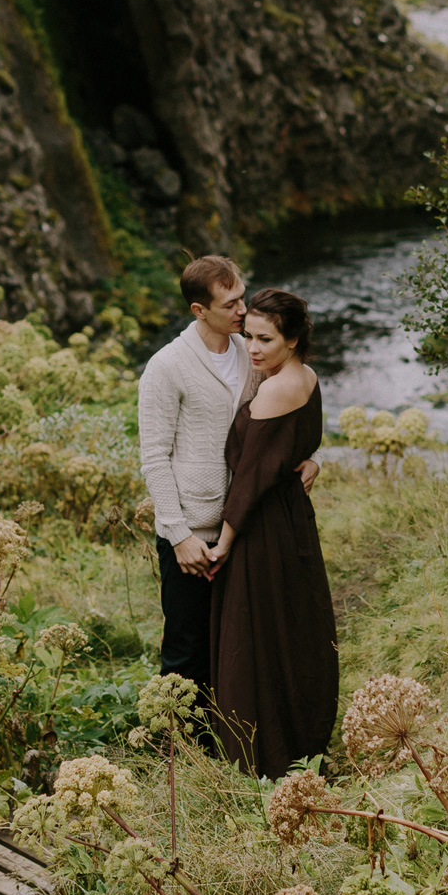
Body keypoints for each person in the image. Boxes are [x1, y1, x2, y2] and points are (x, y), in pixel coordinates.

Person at [137, 256, 318, 716]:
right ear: (200, 310)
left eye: (242, 295)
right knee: (185, 650)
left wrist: (313, 456)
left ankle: (229, 745)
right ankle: (178, 752)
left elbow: (285, 413)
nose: (243, 309)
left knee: (236, 647)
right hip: (193, 535)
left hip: (247, 527)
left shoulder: (252, 349)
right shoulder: (167, 366)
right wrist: (178, 535)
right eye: (231, 303)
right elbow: (154, 455)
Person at [206, 287, 339, 778]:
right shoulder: (304, 375)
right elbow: (298, 444)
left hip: (263, 530)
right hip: (292, 521)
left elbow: (251, 480)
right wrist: (312, 461)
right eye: (249, 337)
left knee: (256, 636)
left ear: (294, 337)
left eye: (265, 339)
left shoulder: (278, 387)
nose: (254, 349)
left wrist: (224, 540)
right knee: (292, 630)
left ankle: (262, 759)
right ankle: (300, 741)